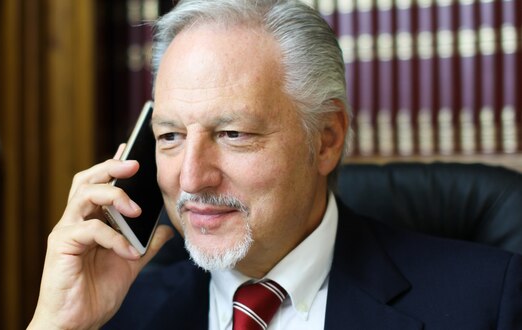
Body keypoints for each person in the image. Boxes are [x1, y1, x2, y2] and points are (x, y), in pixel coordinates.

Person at [28, 0, 522, 329]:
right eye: (171, 136)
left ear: (327, 139)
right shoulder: (115, 309)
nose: (193, 178)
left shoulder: (486, 301)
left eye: (233, 134)